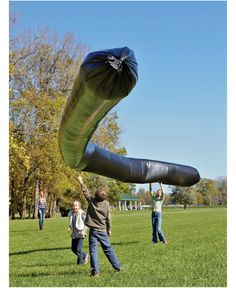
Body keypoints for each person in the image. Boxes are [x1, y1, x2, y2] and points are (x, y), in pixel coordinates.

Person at [77, 174, 122, 277]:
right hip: (103, 230)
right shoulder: (106, 204)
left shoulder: (92, 202)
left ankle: (95, 271)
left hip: (93, 231)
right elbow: (108, 219)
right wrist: (109, 229)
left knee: (93, 251)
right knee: (108, 249)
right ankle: (118, 267)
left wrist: (81, 181)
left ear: (95, 196)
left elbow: (86, 192)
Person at [68, 200, 89, 265]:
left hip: (80, 234)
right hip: (74, 234)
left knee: (78, 249)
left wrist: (84, 231)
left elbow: (86, 223)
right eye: (73, 206)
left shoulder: (82, 213)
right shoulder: (71, 213)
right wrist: (69, 227)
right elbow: (72, 222)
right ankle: (84, 255)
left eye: (76, 205)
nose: (74, 207)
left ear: (79, 206)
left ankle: (81, 263)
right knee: (73, 248)